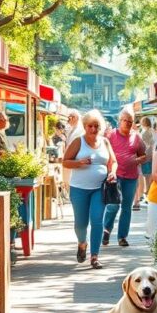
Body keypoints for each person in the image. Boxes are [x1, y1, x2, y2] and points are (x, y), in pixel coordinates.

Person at [63, 110, 118, 269]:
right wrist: (79, 162)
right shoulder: (78, 142)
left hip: (99, 189)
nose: (94, 129)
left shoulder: (105, 142)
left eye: (97, 126)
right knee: (81, 224)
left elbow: (113, 161)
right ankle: (82, 243)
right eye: (90, 126)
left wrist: (112, 171)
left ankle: (94, 256)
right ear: (85, 126)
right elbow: (65, 162)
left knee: (97, 221)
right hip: (79, 188)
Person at [102, 109, 148, 247]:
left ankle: (122, 237)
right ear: (119, 121)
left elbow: (144, 155)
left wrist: (136, 160)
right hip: (114, 175)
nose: (127, 123)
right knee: (113, 205)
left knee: (126, 207)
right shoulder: (110, 135)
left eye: (130, 121)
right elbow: (102, 152)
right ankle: (106, 230)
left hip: (131, 177)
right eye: (125, 120)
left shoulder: (136, 137)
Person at [136, 116, 157, 210]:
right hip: (152, 156)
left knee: (146, 176)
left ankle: (147, 194)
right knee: (149, 176)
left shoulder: (144, 132)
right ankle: (148, 193)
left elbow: (145, 145)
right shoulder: (152, 131)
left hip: (145, 157)